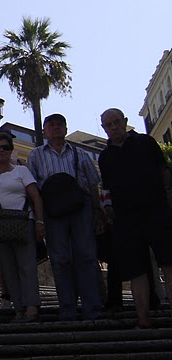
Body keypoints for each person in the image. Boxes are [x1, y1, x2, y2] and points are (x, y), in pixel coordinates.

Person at [98, 108, 172, 328]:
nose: (114, 128)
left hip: (157, 211)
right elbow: (106, 188)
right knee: (136, 271)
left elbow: (164, 173)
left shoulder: (146, 143)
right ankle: (143, 319)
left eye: (117, 122)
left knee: (169, 263)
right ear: (104, 128)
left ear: (125, 121)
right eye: (108, 125)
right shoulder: (105, 157)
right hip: (127, 219)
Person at [27, 113, 103, 321]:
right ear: (45, 131)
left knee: (86, 256)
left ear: (66, 129)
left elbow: (92, 183)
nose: (56, 127)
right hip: (53, 210)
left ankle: (92, 308)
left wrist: (97, 209)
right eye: (51, 125)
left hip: (80, 207)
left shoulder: (80, 153)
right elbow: (32, 189)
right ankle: (67, 308)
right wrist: (39, 218)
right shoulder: (36, 156)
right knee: (60, 259)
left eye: (60, 124)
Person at [0, 131, 44, 322]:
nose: (1, 151)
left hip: (24, 222)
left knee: (27, 266)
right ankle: (18, 308)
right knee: (8, 269)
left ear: (11, 150)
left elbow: (35, 197)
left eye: (5, 147)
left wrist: (40, 221)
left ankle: (32, 306)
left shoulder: (21, 171)